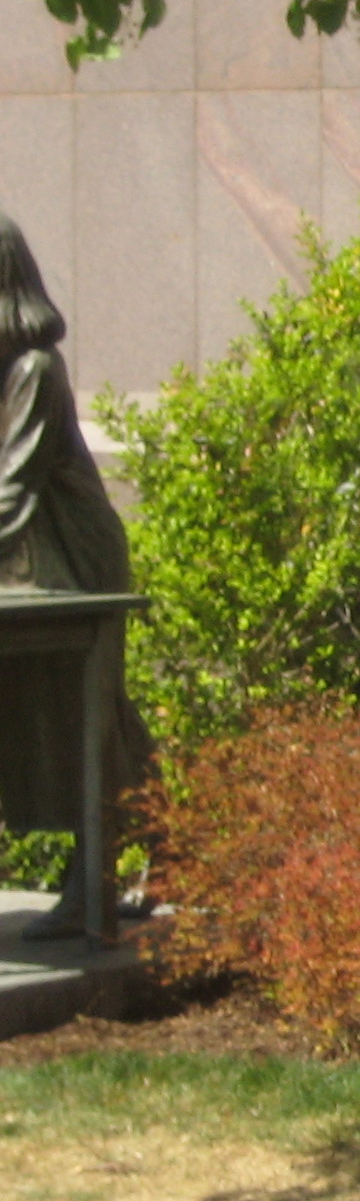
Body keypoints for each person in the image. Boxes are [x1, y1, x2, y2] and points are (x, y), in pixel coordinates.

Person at [0, 215, 151, 939]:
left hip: (74, 558)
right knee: (95, 717)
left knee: (89, 717)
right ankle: (172, 842)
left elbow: (14, 484)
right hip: (25, 563)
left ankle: (95, 885)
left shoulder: (35, 369)